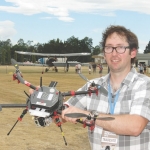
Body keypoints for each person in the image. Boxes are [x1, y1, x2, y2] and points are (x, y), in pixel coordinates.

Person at [61, 25, 150, 150]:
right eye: (109, 48)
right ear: (104, 53)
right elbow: (64, 111)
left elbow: (135, 126)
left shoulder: (145, 84)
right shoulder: (92, 86)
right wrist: (45, 100)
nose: (114, 54)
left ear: (133, 52)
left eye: (120, 48)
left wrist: (89, 115)